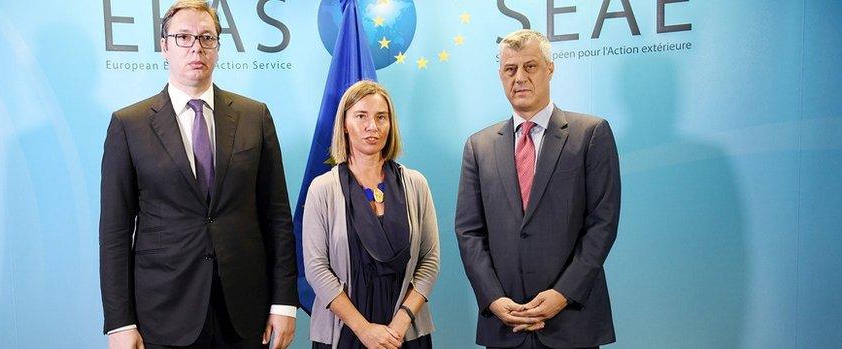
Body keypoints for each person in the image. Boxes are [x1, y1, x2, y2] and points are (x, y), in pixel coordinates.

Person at [99, 1, 298, 348]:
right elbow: (115, 233)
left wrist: (284, 303)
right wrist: (120, 323)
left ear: (219, 46)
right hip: (163, 314)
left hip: (244, 313)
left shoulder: (255, 117)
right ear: (164, 46)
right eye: (184, 37)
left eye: (207, 37)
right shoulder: (129, 125)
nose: (197, 47)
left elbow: (278, 218)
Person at [455, 29, 621, 349]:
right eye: (510, 69)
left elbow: (603, 223)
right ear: (500, 75)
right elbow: (468, 232)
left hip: (572, 322)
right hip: (505, 326)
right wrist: (492, 299)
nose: (519, 77)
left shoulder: (591, 134)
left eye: (530, 66)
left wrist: (563, 294)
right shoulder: (479, 146)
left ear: (550, 69)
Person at [303, 80, 440, 349]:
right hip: (344, 333)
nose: (372, 127)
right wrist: (364, 330)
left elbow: (430, 262)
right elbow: (317, 269)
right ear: (344, 123)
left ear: (391, 124)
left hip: (405, 334)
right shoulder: (322, 189)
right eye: (361, 116)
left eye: (381, 117)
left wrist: (400, 324)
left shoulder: (416, 184)